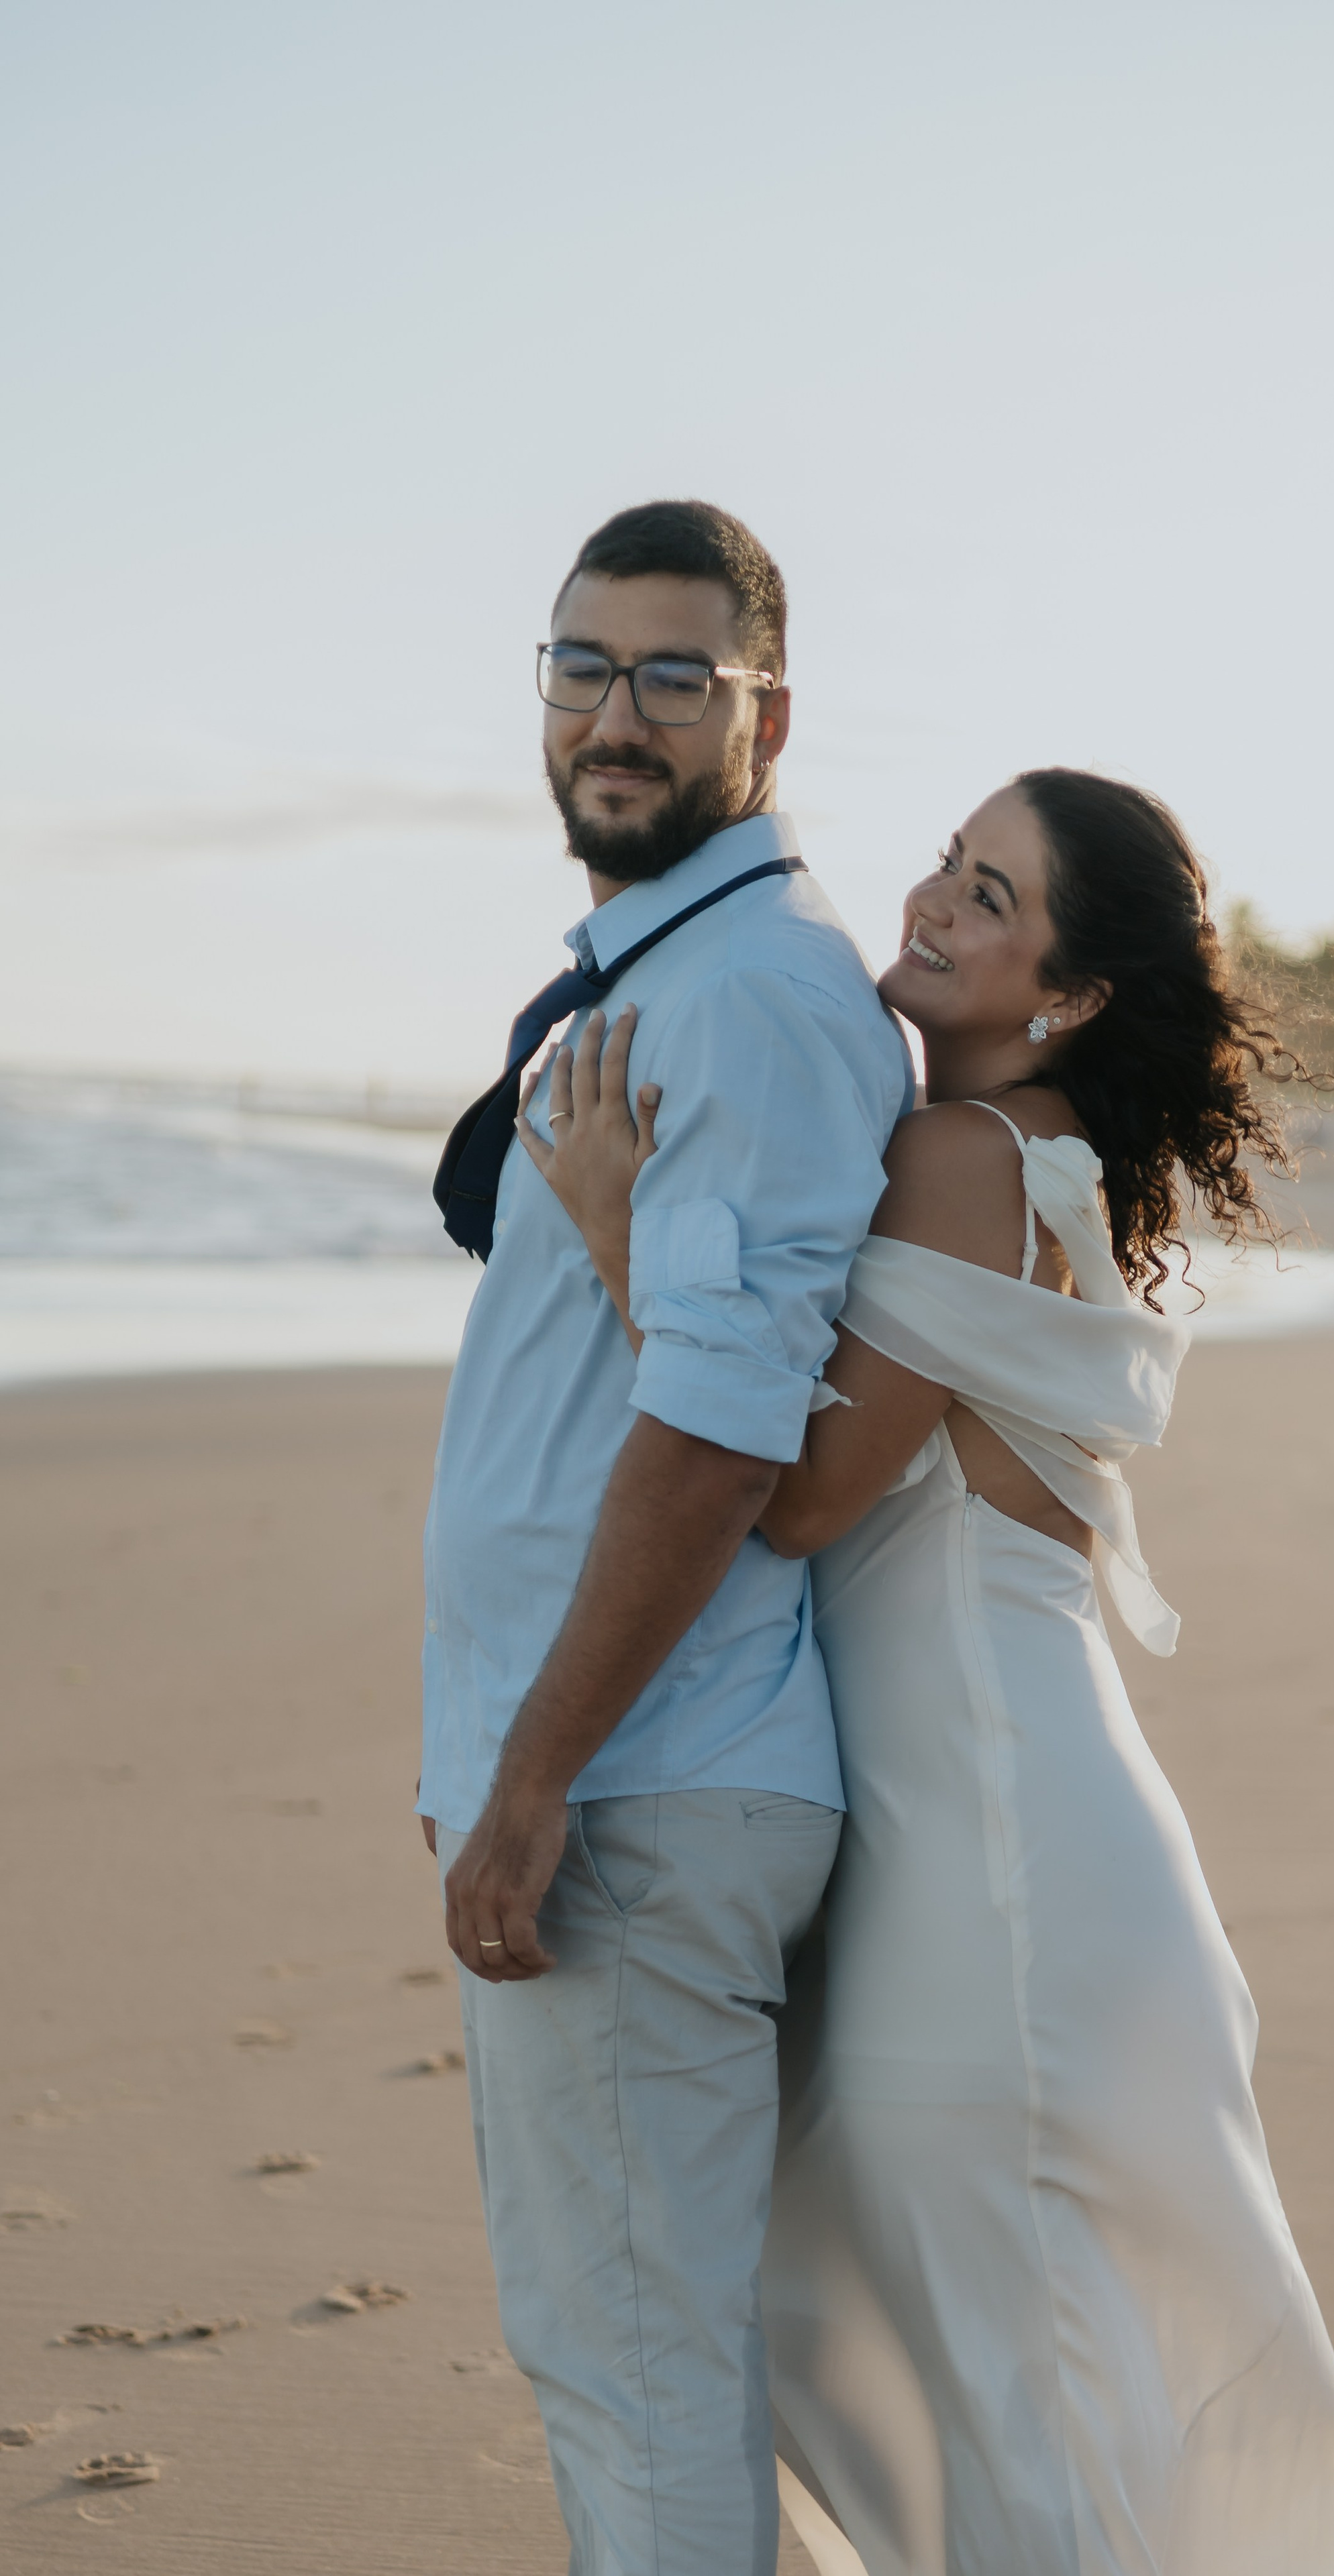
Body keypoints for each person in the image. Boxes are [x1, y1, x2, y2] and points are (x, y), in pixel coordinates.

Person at [531, 770, 1334, 2575]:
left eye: (990, 895)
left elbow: (788, 1504)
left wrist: (624, 1234)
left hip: (994, 1864)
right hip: (1036, 1836)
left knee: (1011, 2397)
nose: (931, 901)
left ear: (1070, 992)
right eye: (948, 861)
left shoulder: (963, 1159)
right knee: (1031, 2382)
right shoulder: (1038, 1162)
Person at [418, 499, 913, 2576]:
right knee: (637, 2364)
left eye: (672, 677)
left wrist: (535, 1777)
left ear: (764, 716)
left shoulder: (758, 1001)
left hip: (637, 1779)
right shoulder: (676, 976)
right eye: (582, 668)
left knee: (632, 2380)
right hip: (627, 1763)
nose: (616, 717)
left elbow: (722, 1434)